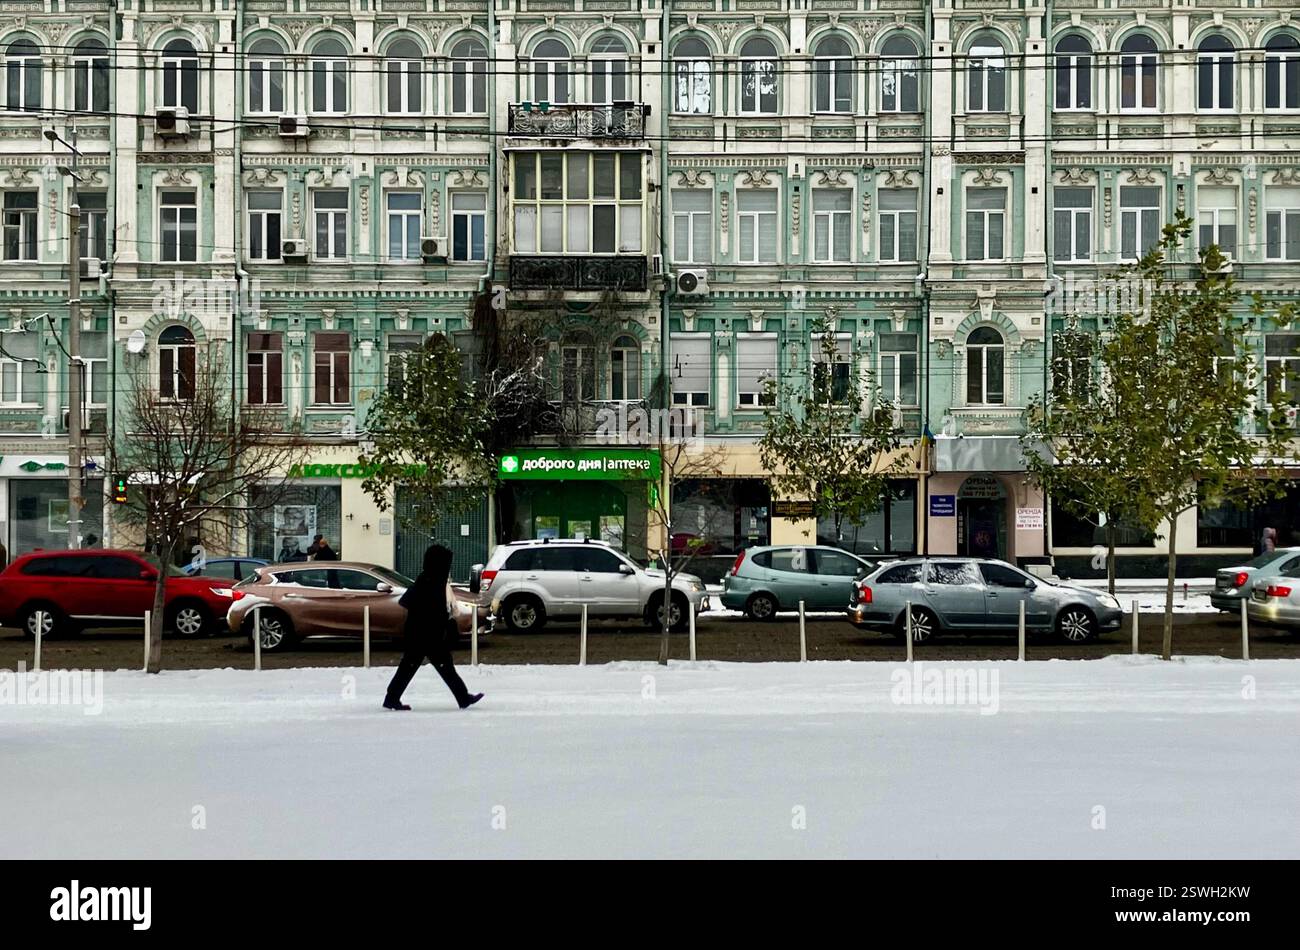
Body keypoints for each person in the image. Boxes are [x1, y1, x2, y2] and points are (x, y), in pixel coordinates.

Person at [384, 544, 482, 711]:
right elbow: (423, 606)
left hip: (423, 632)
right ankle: (463, 697)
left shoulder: (429, 578)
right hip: (425, 633)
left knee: (414, 666)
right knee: (434, 666)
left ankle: (392, 697)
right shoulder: (431, 580)